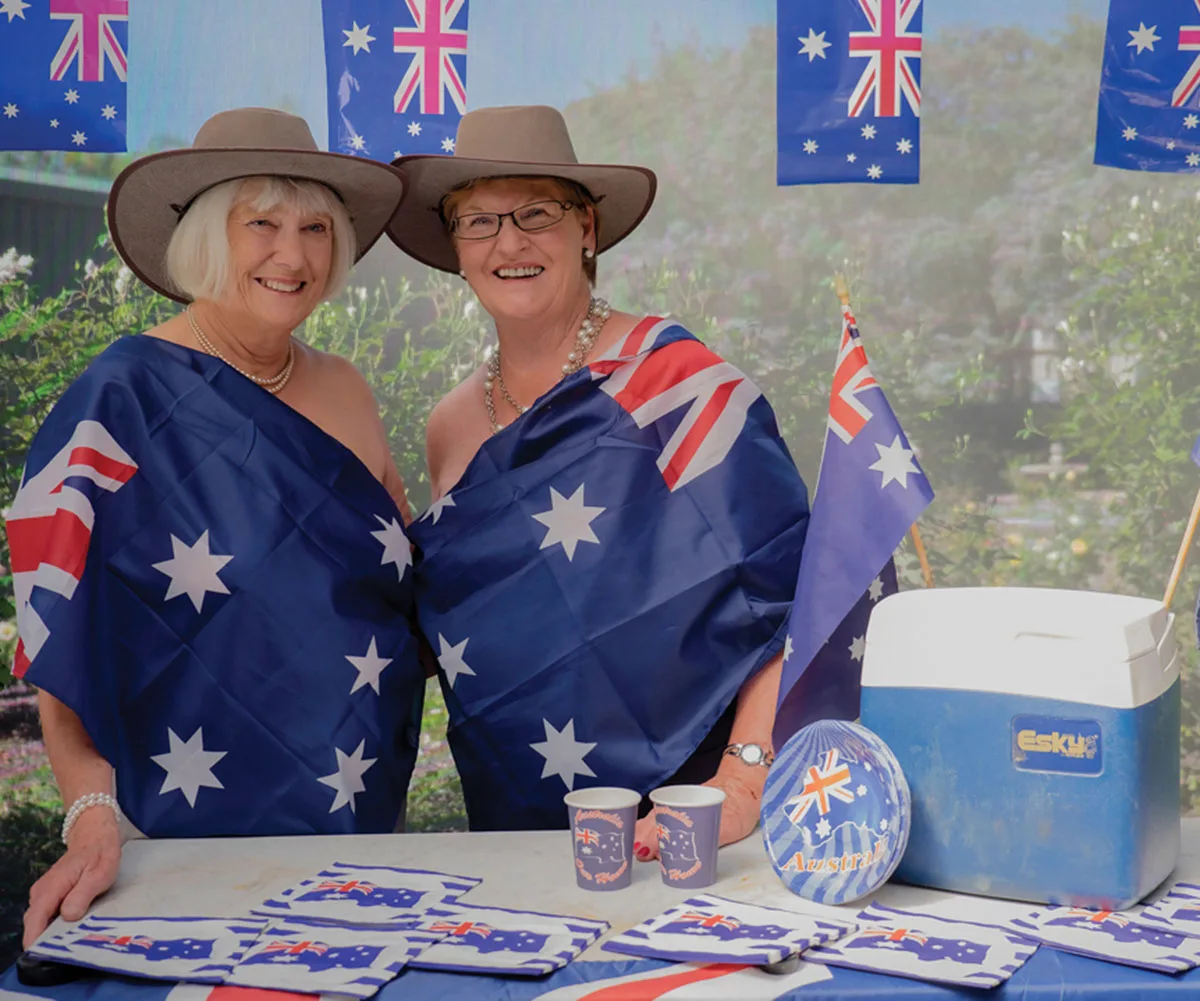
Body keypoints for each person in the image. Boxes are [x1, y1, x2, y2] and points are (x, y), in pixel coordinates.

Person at [11, 108, 424, 947]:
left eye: (315, 227)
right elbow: (58, 640)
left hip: (353, 815)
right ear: (206, 236)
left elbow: (392, 580)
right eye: (261, 223)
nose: (294, 253)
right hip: (176, 838)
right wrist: (90, 810)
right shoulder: (120, 396)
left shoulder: (348, 388)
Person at [389, 106, 810, 858]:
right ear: (455, 246)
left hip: (693, 812)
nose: (509, 242)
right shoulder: (449, 424)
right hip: (520, 822)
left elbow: (792, 590)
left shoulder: (671, 379)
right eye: (478, 221)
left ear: (586, 228)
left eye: (536, 214)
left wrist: (743, 781)